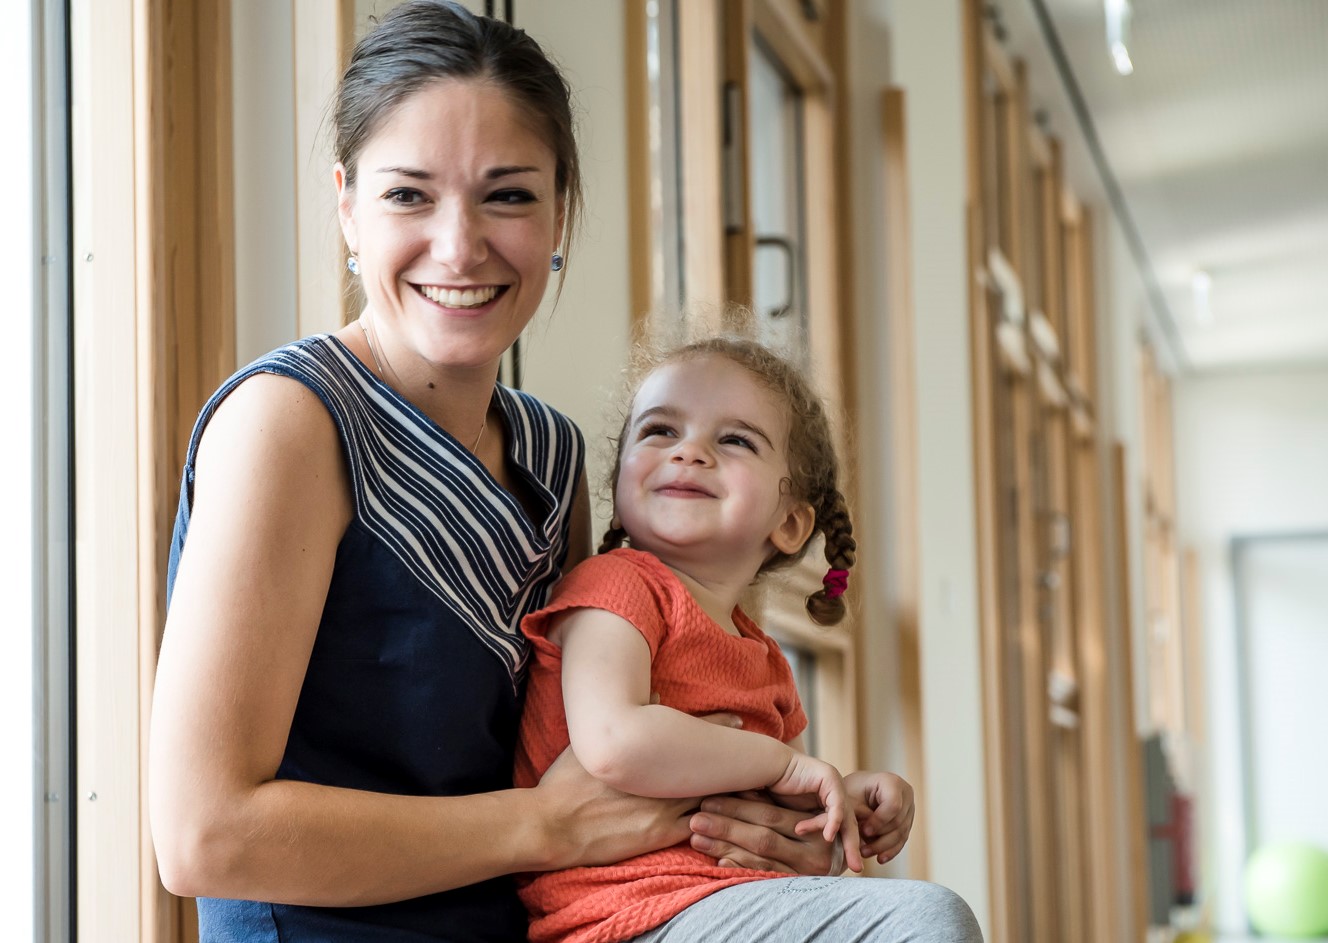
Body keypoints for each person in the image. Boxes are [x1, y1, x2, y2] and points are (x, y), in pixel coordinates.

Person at [148, 4, 844, 942]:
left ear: (560, 210)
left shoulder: (554, 458)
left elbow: (606, 755)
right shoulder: (291, 421)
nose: (459, 245)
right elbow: (204, 837)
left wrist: (756, 828)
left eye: (507, 196)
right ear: (347, 203)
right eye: (409, 196)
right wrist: (543, 826)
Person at [514, 336, 984, 943]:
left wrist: (839, 800)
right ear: (620, 475)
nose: (689, 452)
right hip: (624, 917)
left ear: (789, 524)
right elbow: (611, 740)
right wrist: (787, 762)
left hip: (724, 903)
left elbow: (777, 812)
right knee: (927, 918)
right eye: (659, 430)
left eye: (733, 440)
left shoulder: (762, 657)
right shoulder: (616, 585)